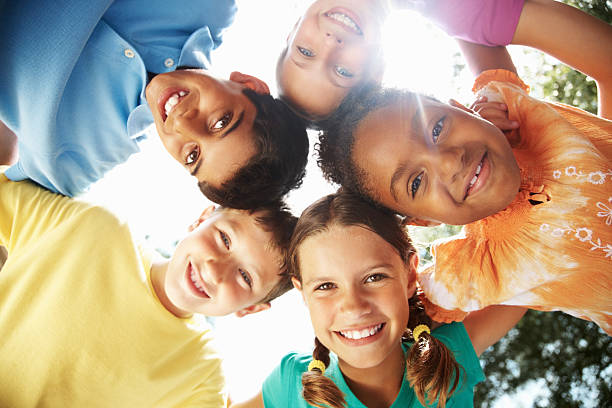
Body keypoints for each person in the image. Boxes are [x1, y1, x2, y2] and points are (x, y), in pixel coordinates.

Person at [315, 4, 612, 334]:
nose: (449, 161)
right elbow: (391, 315)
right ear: (424, 220)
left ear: (461, 108)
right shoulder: (475, 269)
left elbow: (476, 20)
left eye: (437, 129)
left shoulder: (507, 107)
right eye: (416, 183)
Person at [0, 169, 297, 406]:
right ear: (201, 219)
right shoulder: (95, 227)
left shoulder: (202, 374)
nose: (215, 269)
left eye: (245, 276)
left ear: (251, 308)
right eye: (224, 239)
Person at [0, 0, 309, 209]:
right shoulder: (211, 7)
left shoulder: (82, 162)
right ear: (248, 84)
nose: (182, 124)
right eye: (220, 122)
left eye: (192, 155)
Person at [231, 191, 525, 408]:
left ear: (410, 276)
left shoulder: (448, 359)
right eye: (326, 286)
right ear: (303, 293)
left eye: (374, 277)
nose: (354, 306)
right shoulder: (290, 385)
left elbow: (534, 269)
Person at [277, 0, 612, 121]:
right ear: (376, 70)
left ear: (293, 29)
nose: (330, 45)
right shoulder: (470, 15)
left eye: (305, 52)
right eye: (343, 71)